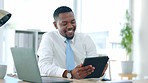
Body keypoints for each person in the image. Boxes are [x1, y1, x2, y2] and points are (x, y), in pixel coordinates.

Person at [37, 6, 108, 79]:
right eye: (64, 24)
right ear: (55, 25)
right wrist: (69, 74)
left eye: (73, 22)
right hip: (59, 81)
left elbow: (92, 67)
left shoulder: (85, 38)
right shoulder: (49, 37)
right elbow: (43, 66)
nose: (70, 26)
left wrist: (99, 72)